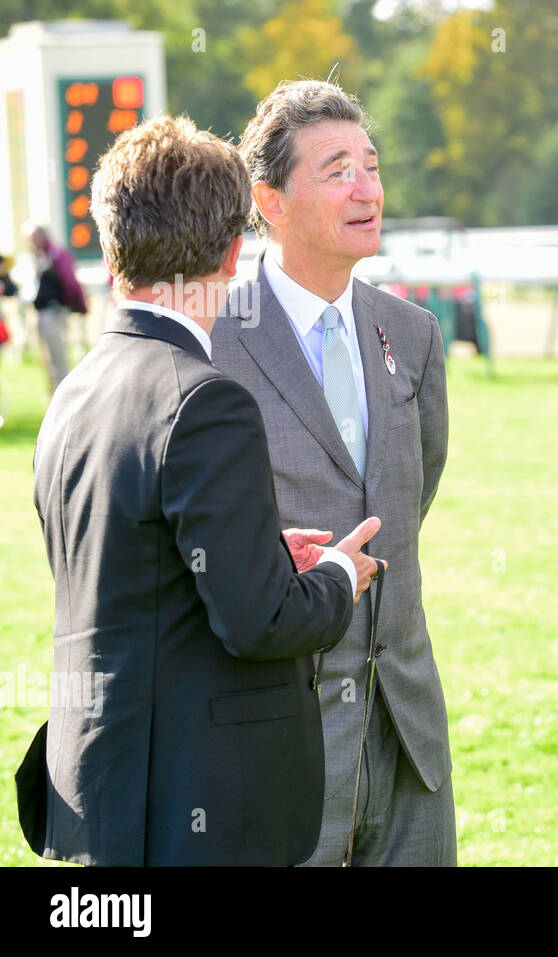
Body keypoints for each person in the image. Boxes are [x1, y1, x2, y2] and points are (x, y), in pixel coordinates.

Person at [25, 115, 382, 866]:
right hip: (190, 803)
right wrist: (338, 576)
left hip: (100, 786)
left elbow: (133, 563)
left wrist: (251, 550)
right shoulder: (204, 399)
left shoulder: (75, 391)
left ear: (113, 247)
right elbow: (260, 623)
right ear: (231, 252)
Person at [212, 79, 454, 866]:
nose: (367, 188)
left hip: (407, 726)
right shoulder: (213, 337)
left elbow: (413, 489)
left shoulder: (412, 333)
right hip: (277, 731)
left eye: (372, 165)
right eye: (337, 169)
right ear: (270, 201)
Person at [27, 225, 87, 392]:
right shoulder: (40, 257)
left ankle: (64, 394)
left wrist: (79, 305)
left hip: (55, 312)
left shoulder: (57, 255)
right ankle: (55, 394)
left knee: (58, 358)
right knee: (47, 360)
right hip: (42, 312)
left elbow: (70, 283)